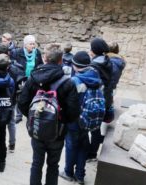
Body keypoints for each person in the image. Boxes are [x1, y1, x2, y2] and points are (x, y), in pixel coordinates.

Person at [18, 44, 80, 185]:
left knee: (36, 163)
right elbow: (74, 112)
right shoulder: (68, 83)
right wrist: (60, 120)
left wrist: (34, 116)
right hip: (57, 133)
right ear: (60, 61)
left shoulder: (33, 78)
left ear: (44, 58)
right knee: (53, 165)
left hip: (37, 128)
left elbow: (22, 103)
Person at [59, 51, 103, 185]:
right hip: (88, 119)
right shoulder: (96, 75)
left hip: (75, 119)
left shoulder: (75, 80)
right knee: (83, 145)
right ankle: (80, 175)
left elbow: (67, 102)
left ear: (75, 65)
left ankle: (68, 172)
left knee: (71, 145)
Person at [88, 38, 113, 162]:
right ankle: (93, 152)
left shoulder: (94, 65)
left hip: (97, 99)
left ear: (94, 50)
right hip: (106, 97)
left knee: (94, 129)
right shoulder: (108, 61)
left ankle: (91, 153)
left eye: (91, 47)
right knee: (97, 128)